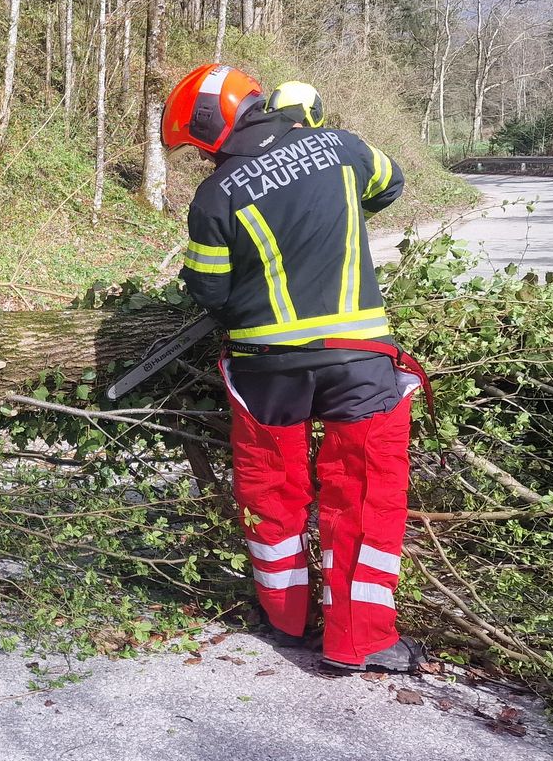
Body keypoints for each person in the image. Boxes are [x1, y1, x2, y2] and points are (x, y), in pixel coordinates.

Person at [163, 65, 429, 674]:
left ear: (212, 130)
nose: (201, 157)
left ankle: (285, 621)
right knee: (365, 495)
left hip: (268, 370)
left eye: (198, 146)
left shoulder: (216, 195)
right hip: (359, 360)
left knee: (271, 494)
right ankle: (360, 642)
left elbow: (208, 290)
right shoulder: (342, 146)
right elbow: (390, 184)